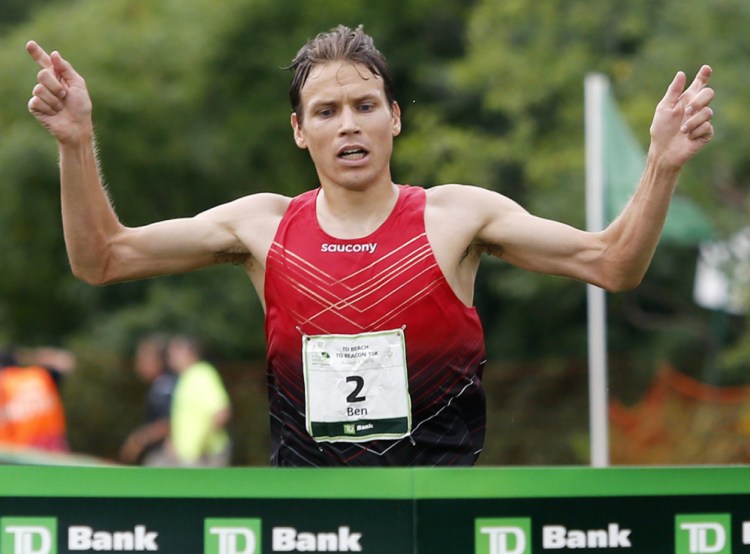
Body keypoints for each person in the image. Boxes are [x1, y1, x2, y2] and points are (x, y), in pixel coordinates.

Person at [25, 25, 715, 466]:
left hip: (437, 515)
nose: (347, 125)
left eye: (363, 106)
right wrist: (77, 142)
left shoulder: (456, 216)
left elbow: (613, 262)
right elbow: (101, 257)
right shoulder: (260, 228)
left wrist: (662, 163)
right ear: (301, 131)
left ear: (394, 119)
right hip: (311, 523)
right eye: (326, 111)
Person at [165, 335, 231, 467]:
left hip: (205, 456)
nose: (170, 357)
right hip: (190, 456)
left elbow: (221, 412)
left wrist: (203, 444)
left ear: (190, 353)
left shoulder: (201, 375)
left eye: (175, 352)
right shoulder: (186, 377)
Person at [119, 333, 177, 465]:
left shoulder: (164, 387)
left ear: (158, 361)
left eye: (141, 360)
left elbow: (167, 422)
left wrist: (139, 440)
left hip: (165, 455)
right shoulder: (162, 384)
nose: (137, 365)